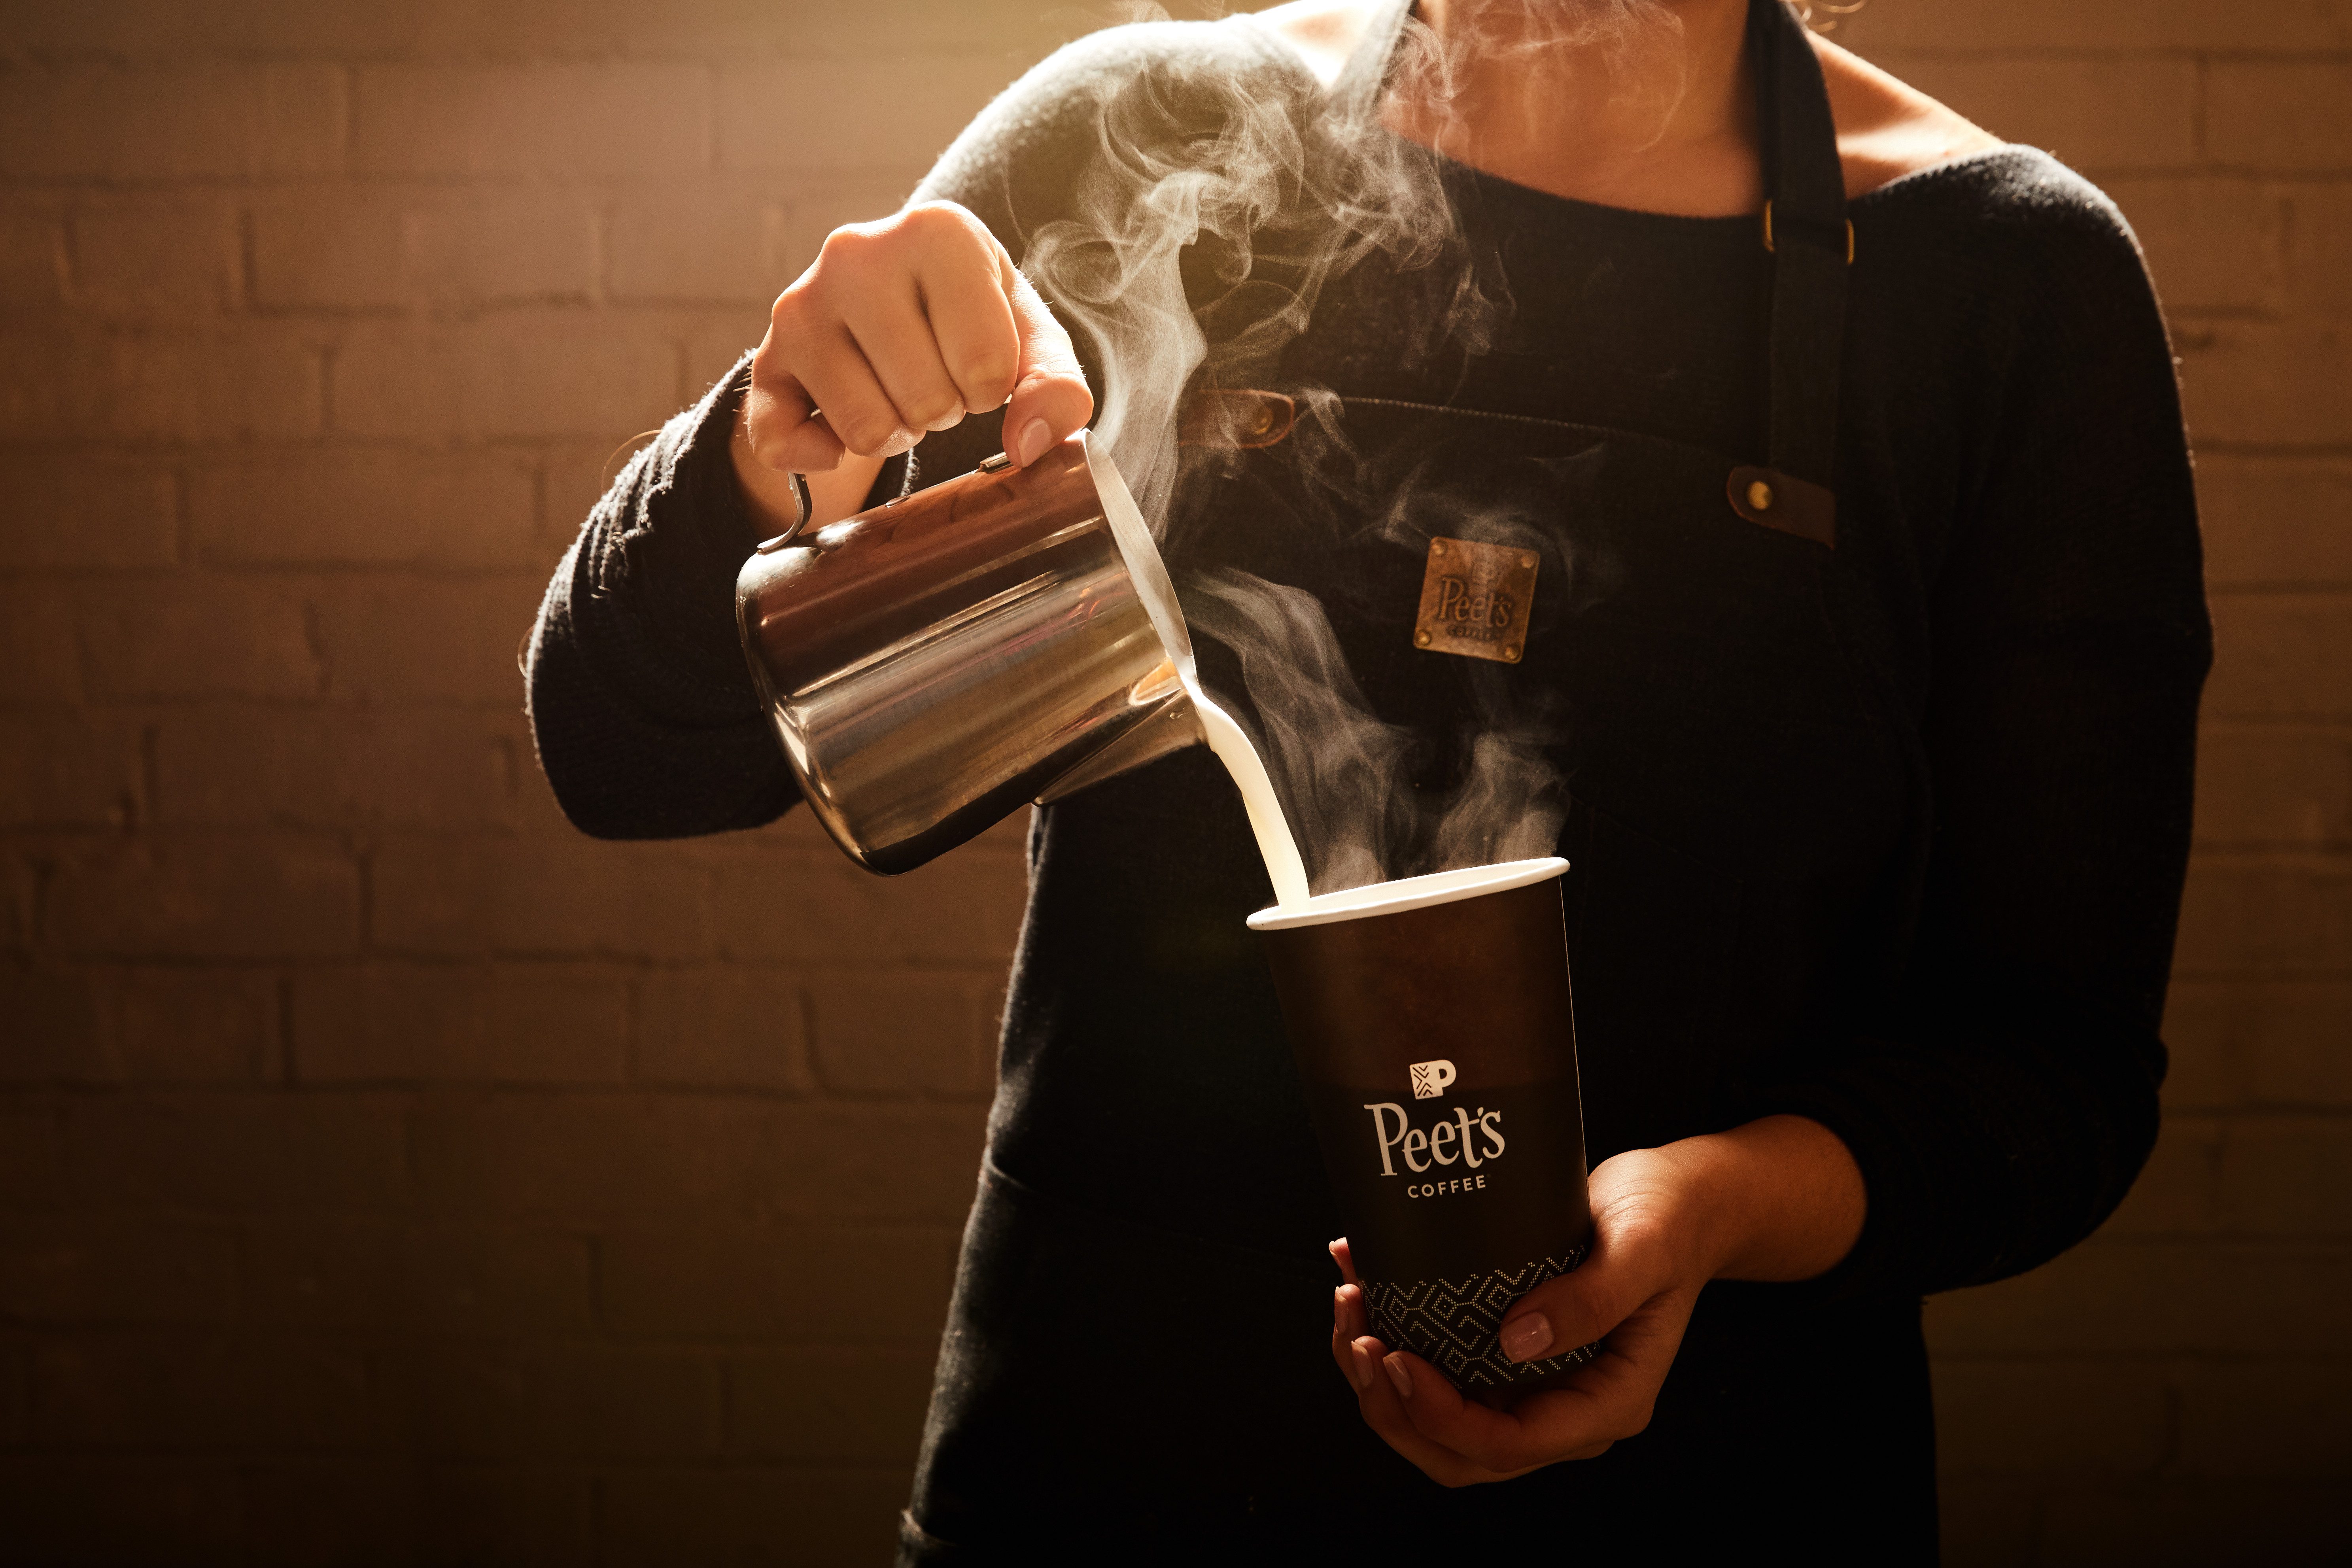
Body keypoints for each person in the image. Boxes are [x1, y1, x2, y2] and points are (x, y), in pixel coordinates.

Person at [526, 0, 2210, 1557]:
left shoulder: (2002, 283)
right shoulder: (1137, 136)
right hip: (1103, 1463)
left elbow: (2048, 1074)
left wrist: (1714, 1205)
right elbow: (626, 749)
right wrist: (778, 433)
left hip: (1712, 1484)